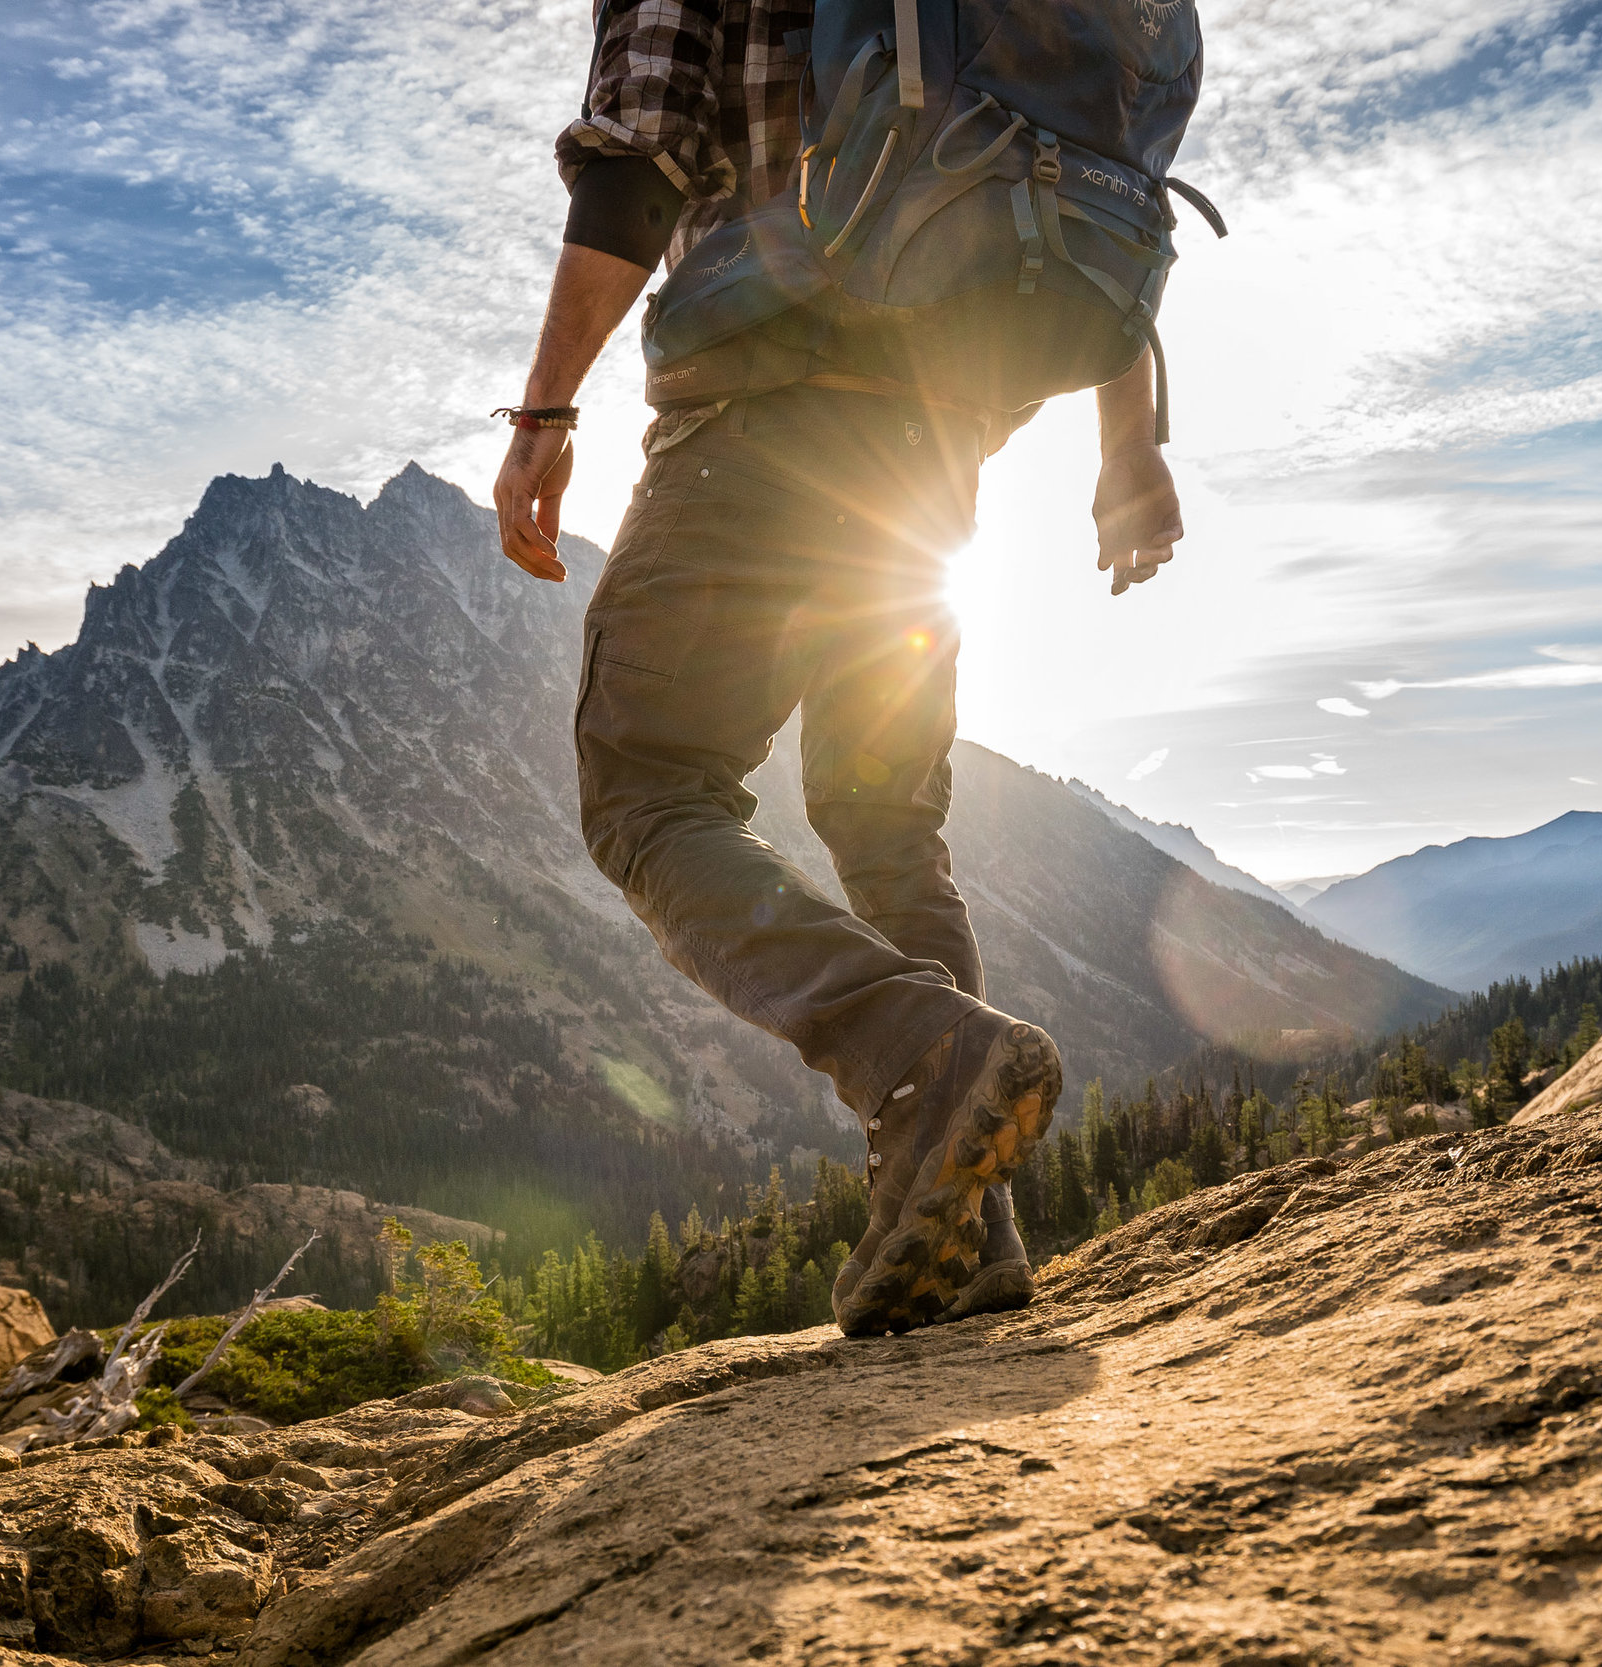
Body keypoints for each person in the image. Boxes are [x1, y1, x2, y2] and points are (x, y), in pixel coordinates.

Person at [491, 1, 1186, 1335]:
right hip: (938, 445)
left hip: (763, 396)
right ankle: (970, 1235)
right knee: (886, 827)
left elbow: (640, 153)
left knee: (647, 793)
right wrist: (1128, 442)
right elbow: (1092, 154)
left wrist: (542, 414)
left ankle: (916, 1055)